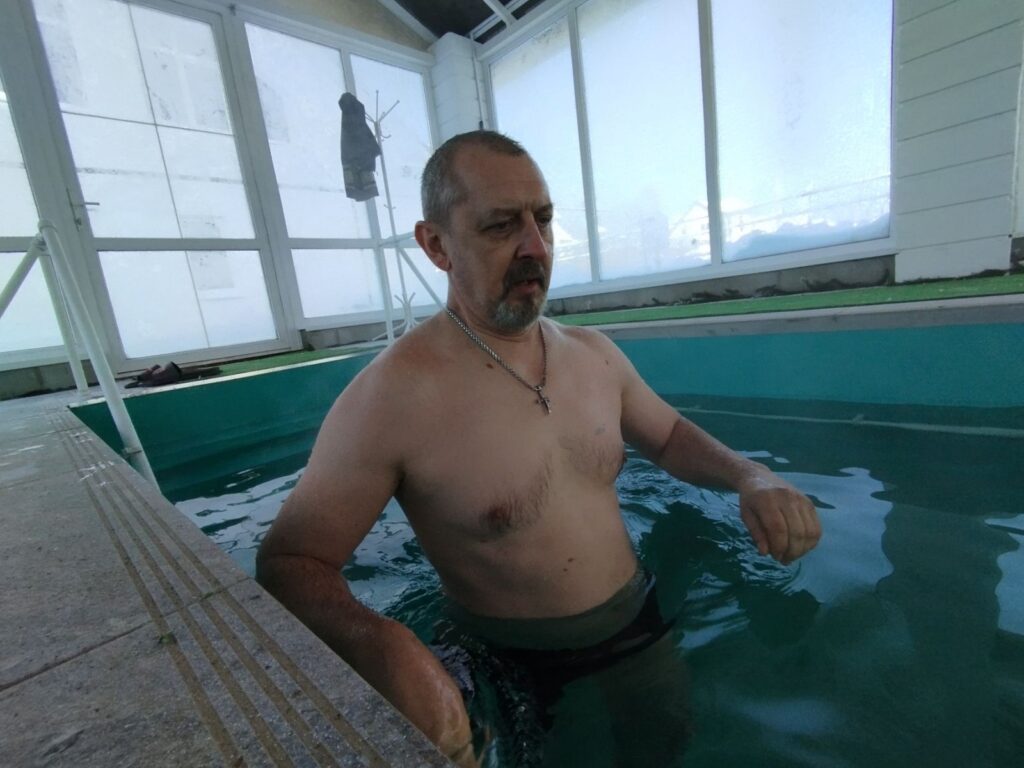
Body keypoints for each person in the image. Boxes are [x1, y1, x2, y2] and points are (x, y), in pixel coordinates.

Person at [255, 130, 821, 766]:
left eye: (543, 220)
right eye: (501, 226)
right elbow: (289, 561)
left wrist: (750, 476)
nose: (536, 247)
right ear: (436, 245)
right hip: (505, 662)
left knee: (666, 743)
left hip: (635, 621)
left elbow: (668, 436)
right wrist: (380, 642)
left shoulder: (594, 356)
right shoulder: (391, 400)